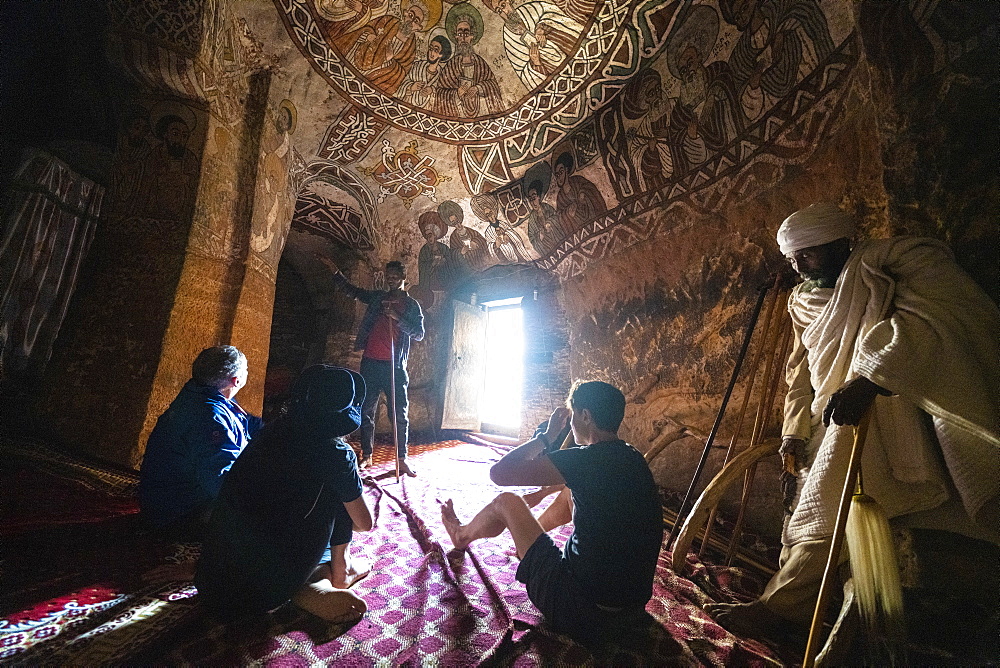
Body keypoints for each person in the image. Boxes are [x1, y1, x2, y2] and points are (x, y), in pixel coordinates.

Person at [707, 202, 1000, 639]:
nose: (798, 266)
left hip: (882, 416)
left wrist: (871, 378)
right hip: (825, 419)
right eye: (792, 258)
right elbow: (799, 371)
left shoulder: (892, 265)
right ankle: (804, 611)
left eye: (807, 253)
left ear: (842, 243)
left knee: (826, 519)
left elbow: (933, 321)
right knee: (808, 520)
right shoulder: (800, 301)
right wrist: (792, 431)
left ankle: (778, 609)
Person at [441, 380, 663, 646]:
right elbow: (569, 494)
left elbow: (499, 473)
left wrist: (546, 437)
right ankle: (531, 546)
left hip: (582, 611)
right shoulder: (633, 457)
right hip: (631, 609)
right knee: (571, 492)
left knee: (507, 503)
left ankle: (461, 535)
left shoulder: (583, 459)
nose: (570, 425)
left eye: (573, 417)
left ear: (585, 416)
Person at [195, 365, 374, 623]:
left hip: (214, 582)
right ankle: (337, 571)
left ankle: (306, 585)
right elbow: (364, 524)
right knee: (340, 492)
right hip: (267, 592)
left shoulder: (271, 433)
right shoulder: (335, 453)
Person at [139, 345, 262, 538]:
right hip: (179, 513)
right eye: (246, 369)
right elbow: (220, 484)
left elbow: (250, 425)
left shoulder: (207, 394)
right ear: (236, 380)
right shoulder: (209, 418)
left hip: (176, 499)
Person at [322, 257, 425, 475]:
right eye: (389, 277)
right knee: (367, 410)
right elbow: (354, 291)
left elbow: (419, 333)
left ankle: (402, 458)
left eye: (396, 277)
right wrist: (335, 272)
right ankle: (367, 455)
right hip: (370, 362)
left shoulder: (411, 305)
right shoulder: (378, 297)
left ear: (404, 278)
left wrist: (397, 317)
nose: (392, 280)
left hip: (395, 367)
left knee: (399, 414)